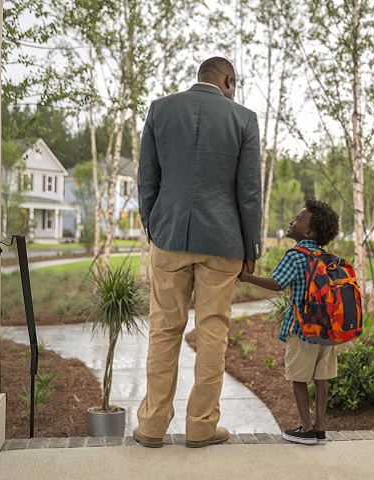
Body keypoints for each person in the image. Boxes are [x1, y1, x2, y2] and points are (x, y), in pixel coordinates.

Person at [135, 57, 262, 448]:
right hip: (223, 242)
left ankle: (153, 425)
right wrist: (251, 245)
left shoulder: (160, 109)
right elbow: (249, 192)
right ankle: (202, 425)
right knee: (212, 333)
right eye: (234, 84)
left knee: (164, 330)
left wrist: (153, 228)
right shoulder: (244, 118)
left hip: (169, 237)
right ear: (228, 79)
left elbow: (147, 179)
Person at [238, 198, 340, 445]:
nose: (291, 221)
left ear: (308, 231)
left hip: (302, 329)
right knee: (321, 378)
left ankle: (305, 429)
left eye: (297, 219)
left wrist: (246, 277)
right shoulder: (328, 256)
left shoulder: (296, 255)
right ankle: (320, 428)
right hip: (327, 330)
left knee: (298, 378)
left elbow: (277, 283)